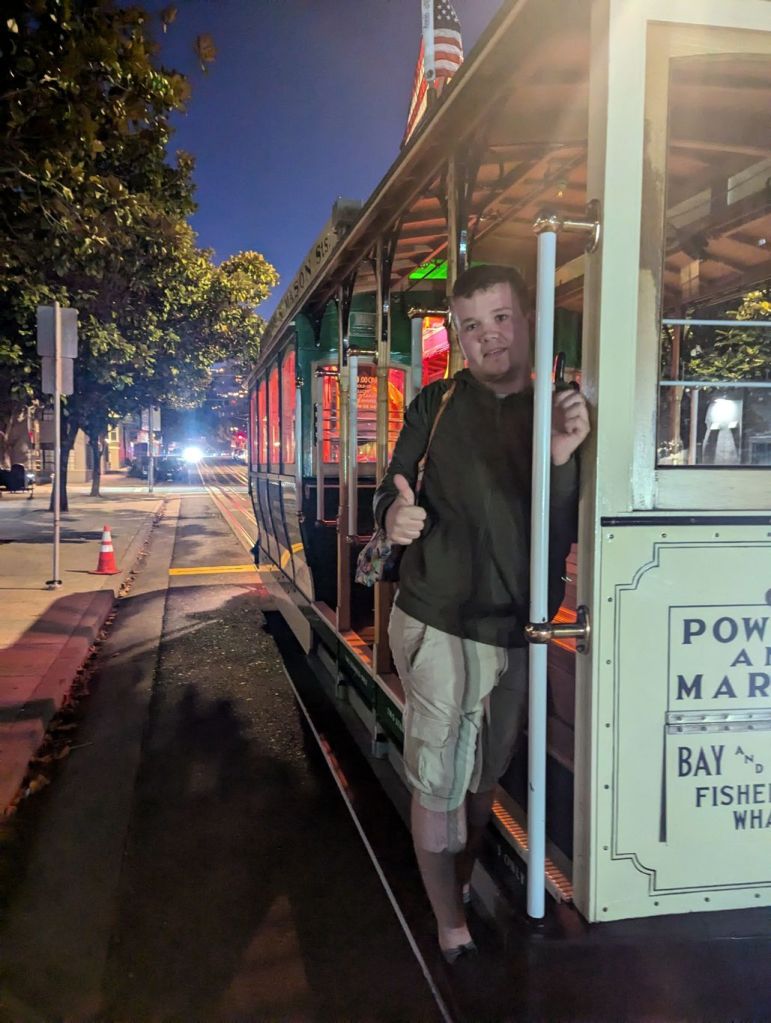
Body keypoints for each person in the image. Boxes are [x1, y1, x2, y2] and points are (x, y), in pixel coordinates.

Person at [373, 263, 590, 962]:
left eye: (500, 318)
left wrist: (561, 456)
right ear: (459, 338)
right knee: (441, 782)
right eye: (471, 326)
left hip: (519, 628)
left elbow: (564, 528)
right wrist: (393, 514)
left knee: (483, 777)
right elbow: (391, 485)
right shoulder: (434, 406)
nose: (489, 336)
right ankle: (451, 927)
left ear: (528, 321)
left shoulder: (558, 410)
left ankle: (460, 881)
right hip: (438, 617)